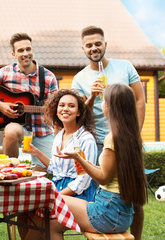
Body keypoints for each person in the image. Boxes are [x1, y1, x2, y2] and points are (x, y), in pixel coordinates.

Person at [24, 83, 148, 240]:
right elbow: (107, 172)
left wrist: (77, 158)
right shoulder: (130, 136)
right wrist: (79, 159)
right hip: (120, 211)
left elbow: (103, 177)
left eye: (104, 101)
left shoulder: (112, 138)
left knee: (48, 209)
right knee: (51, 222)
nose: (101, 105)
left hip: (107, 211)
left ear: (110, 107)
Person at [71, 26, 146, 239]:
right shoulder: (80, 78)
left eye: (97, 43)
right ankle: (108, 229)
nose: (94, 48)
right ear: (83, 49)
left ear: (105, 44)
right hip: (99, 142)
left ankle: (135, 237)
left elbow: (139, 100)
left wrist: (133, 134)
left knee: (134, 195)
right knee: (105, 192)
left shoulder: (125, 67)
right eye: (89, 45)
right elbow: (79, 113)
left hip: (129, 139)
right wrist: (93, 96)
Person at [18, 89, 97, 239]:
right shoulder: (60, 135)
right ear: (56, 110)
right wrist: (37, 153)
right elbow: (55, 169)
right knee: (24, 212)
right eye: (62, 105)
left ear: (79, 112)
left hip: (78, 194)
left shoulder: (86, 139)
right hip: (57, 187)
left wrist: (56, 196)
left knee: (44, 218)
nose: (65, 109)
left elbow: (84, 180)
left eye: (71, 106)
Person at [0, 33, 58, 171]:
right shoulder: (6, 72)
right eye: (20, 50)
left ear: (32, 50)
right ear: (13, 54)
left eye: (28, 49)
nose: (25, 53)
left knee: (47, 170)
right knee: (11, 131)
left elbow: (55, 108)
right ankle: (9, 170)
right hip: (18, 126)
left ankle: (25, 179)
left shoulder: (48, 77)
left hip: (42, 129)